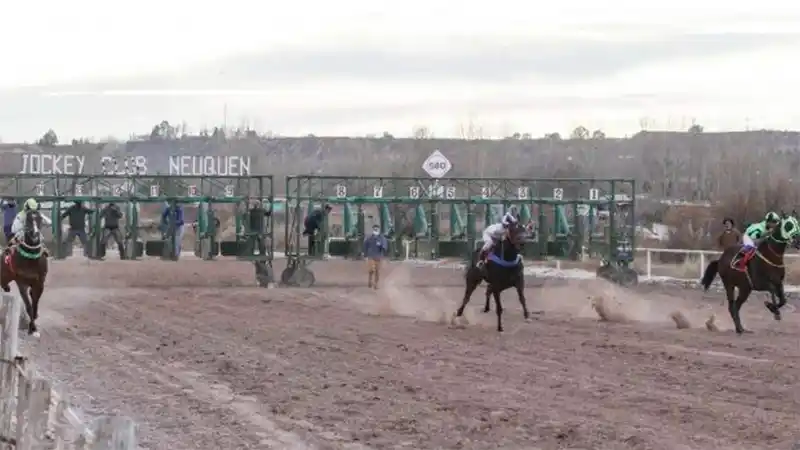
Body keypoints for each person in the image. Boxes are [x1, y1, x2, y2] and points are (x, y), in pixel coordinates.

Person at [363, 224, 389, 289]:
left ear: (379, 230)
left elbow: (385, 247)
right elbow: (365, 246)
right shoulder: (369, 238)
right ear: (373, 229)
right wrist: (365, 255)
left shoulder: (382, 238)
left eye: (377, 229)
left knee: (377, 271)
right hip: (371, 256)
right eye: (375, 229)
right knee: (371, 269)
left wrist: (381, 246)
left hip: (379, 256)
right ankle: (370, 281)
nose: (376, 230)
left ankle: (376, 284)